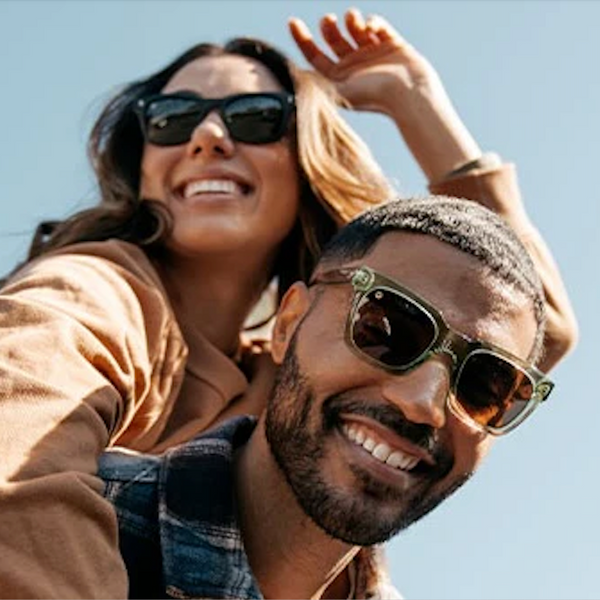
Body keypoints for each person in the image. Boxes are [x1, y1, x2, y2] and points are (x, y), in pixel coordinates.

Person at [0, 8, 575, 599]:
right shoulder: (93, 289)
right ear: (141, 161)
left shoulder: (294, 363)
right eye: (173, 119)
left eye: (254, 118)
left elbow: (523, 330)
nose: (208, 137)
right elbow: (16, 480)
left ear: (306, 155)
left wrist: (416, 100)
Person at [100, 195, 554, 599]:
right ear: (287, 324)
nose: (424, 404)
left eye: (483, 386)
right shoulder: (84, 523)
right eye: (386, 331)